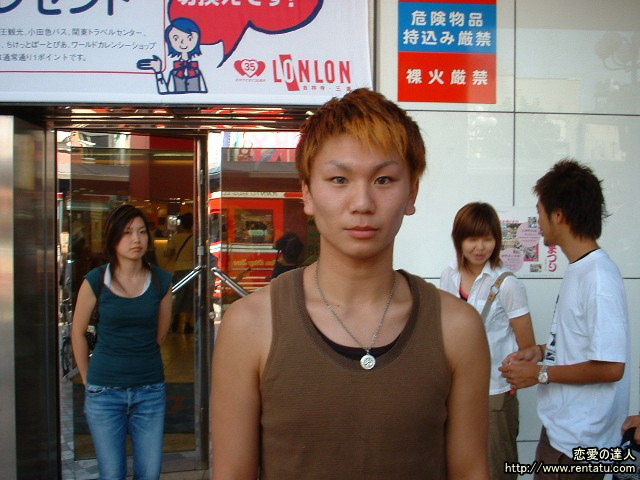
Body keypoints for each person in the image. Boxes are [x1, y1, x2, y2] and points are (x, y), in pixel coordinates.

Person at [211, 88, 491, 479]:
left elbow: (471, 469)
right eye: (339, 179)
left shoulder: (457, 328)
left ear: (412, 192)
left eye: (384, 179)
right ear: (307, 193)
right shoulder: (250, 326)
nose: (362, 203)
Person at [500, 159, 629, 480]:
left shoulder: (599, 278)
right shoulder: (580, 269)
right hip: (562, 434)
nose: (538, 221)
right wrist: (541, 351)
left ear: (558, 215)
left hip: (579, 447)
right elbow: (582, 343)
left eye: (540, 211)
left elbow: (611, 367)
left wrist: (539, 374)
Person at [71, 204, 173, 480]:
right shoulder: (95, 280)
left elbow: (160, 335)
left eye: (142, 232)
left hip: (149, 391)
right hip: (104, 392)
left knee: (149, 473)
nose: (136, 239)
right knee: (112, 473)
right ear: (113, 237)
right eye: (127, 233)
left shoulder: (161, 281)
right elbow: (78, 332)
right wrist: (87, 379)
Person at [440, 202, 535, 480]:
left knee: (497, 466)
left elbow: (528, 347)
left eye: (488, 238)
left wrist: (514, 375)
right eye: (472, 238)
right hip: (454, 392)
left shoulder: (507, 284)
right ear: (458, 239)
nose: (480, 247)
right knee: (458, 465)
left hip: (494, 392)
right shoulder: (449, 276)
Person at [167, 212, 194, 333]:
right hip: (192, 271)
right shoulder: (194, 238)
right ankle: (188, 324)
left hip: (179, 268)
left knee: (178, 295)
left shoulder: (175, 237)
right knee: (189, 297)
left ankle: (174, 322)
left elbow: (169, 253)